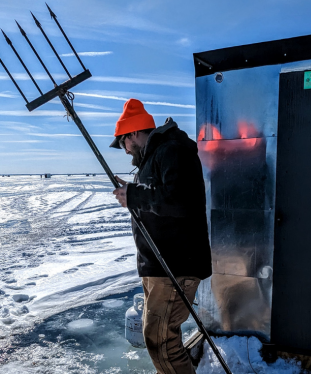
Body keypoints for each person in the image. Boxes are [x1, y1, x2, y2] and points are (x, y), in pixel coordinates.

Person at [110, 98, 212, 374]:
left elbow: (179, 200)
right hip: (161, 266)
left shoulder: (172, 149)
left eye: (123, 144)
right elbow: (161, 196)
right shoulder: (158, 154)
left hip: (175, 265)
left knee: (161, 341)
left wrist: (133, 195)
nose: (126, 151)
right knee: (159, 337)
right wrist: (135, 191)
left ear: (132, 134)